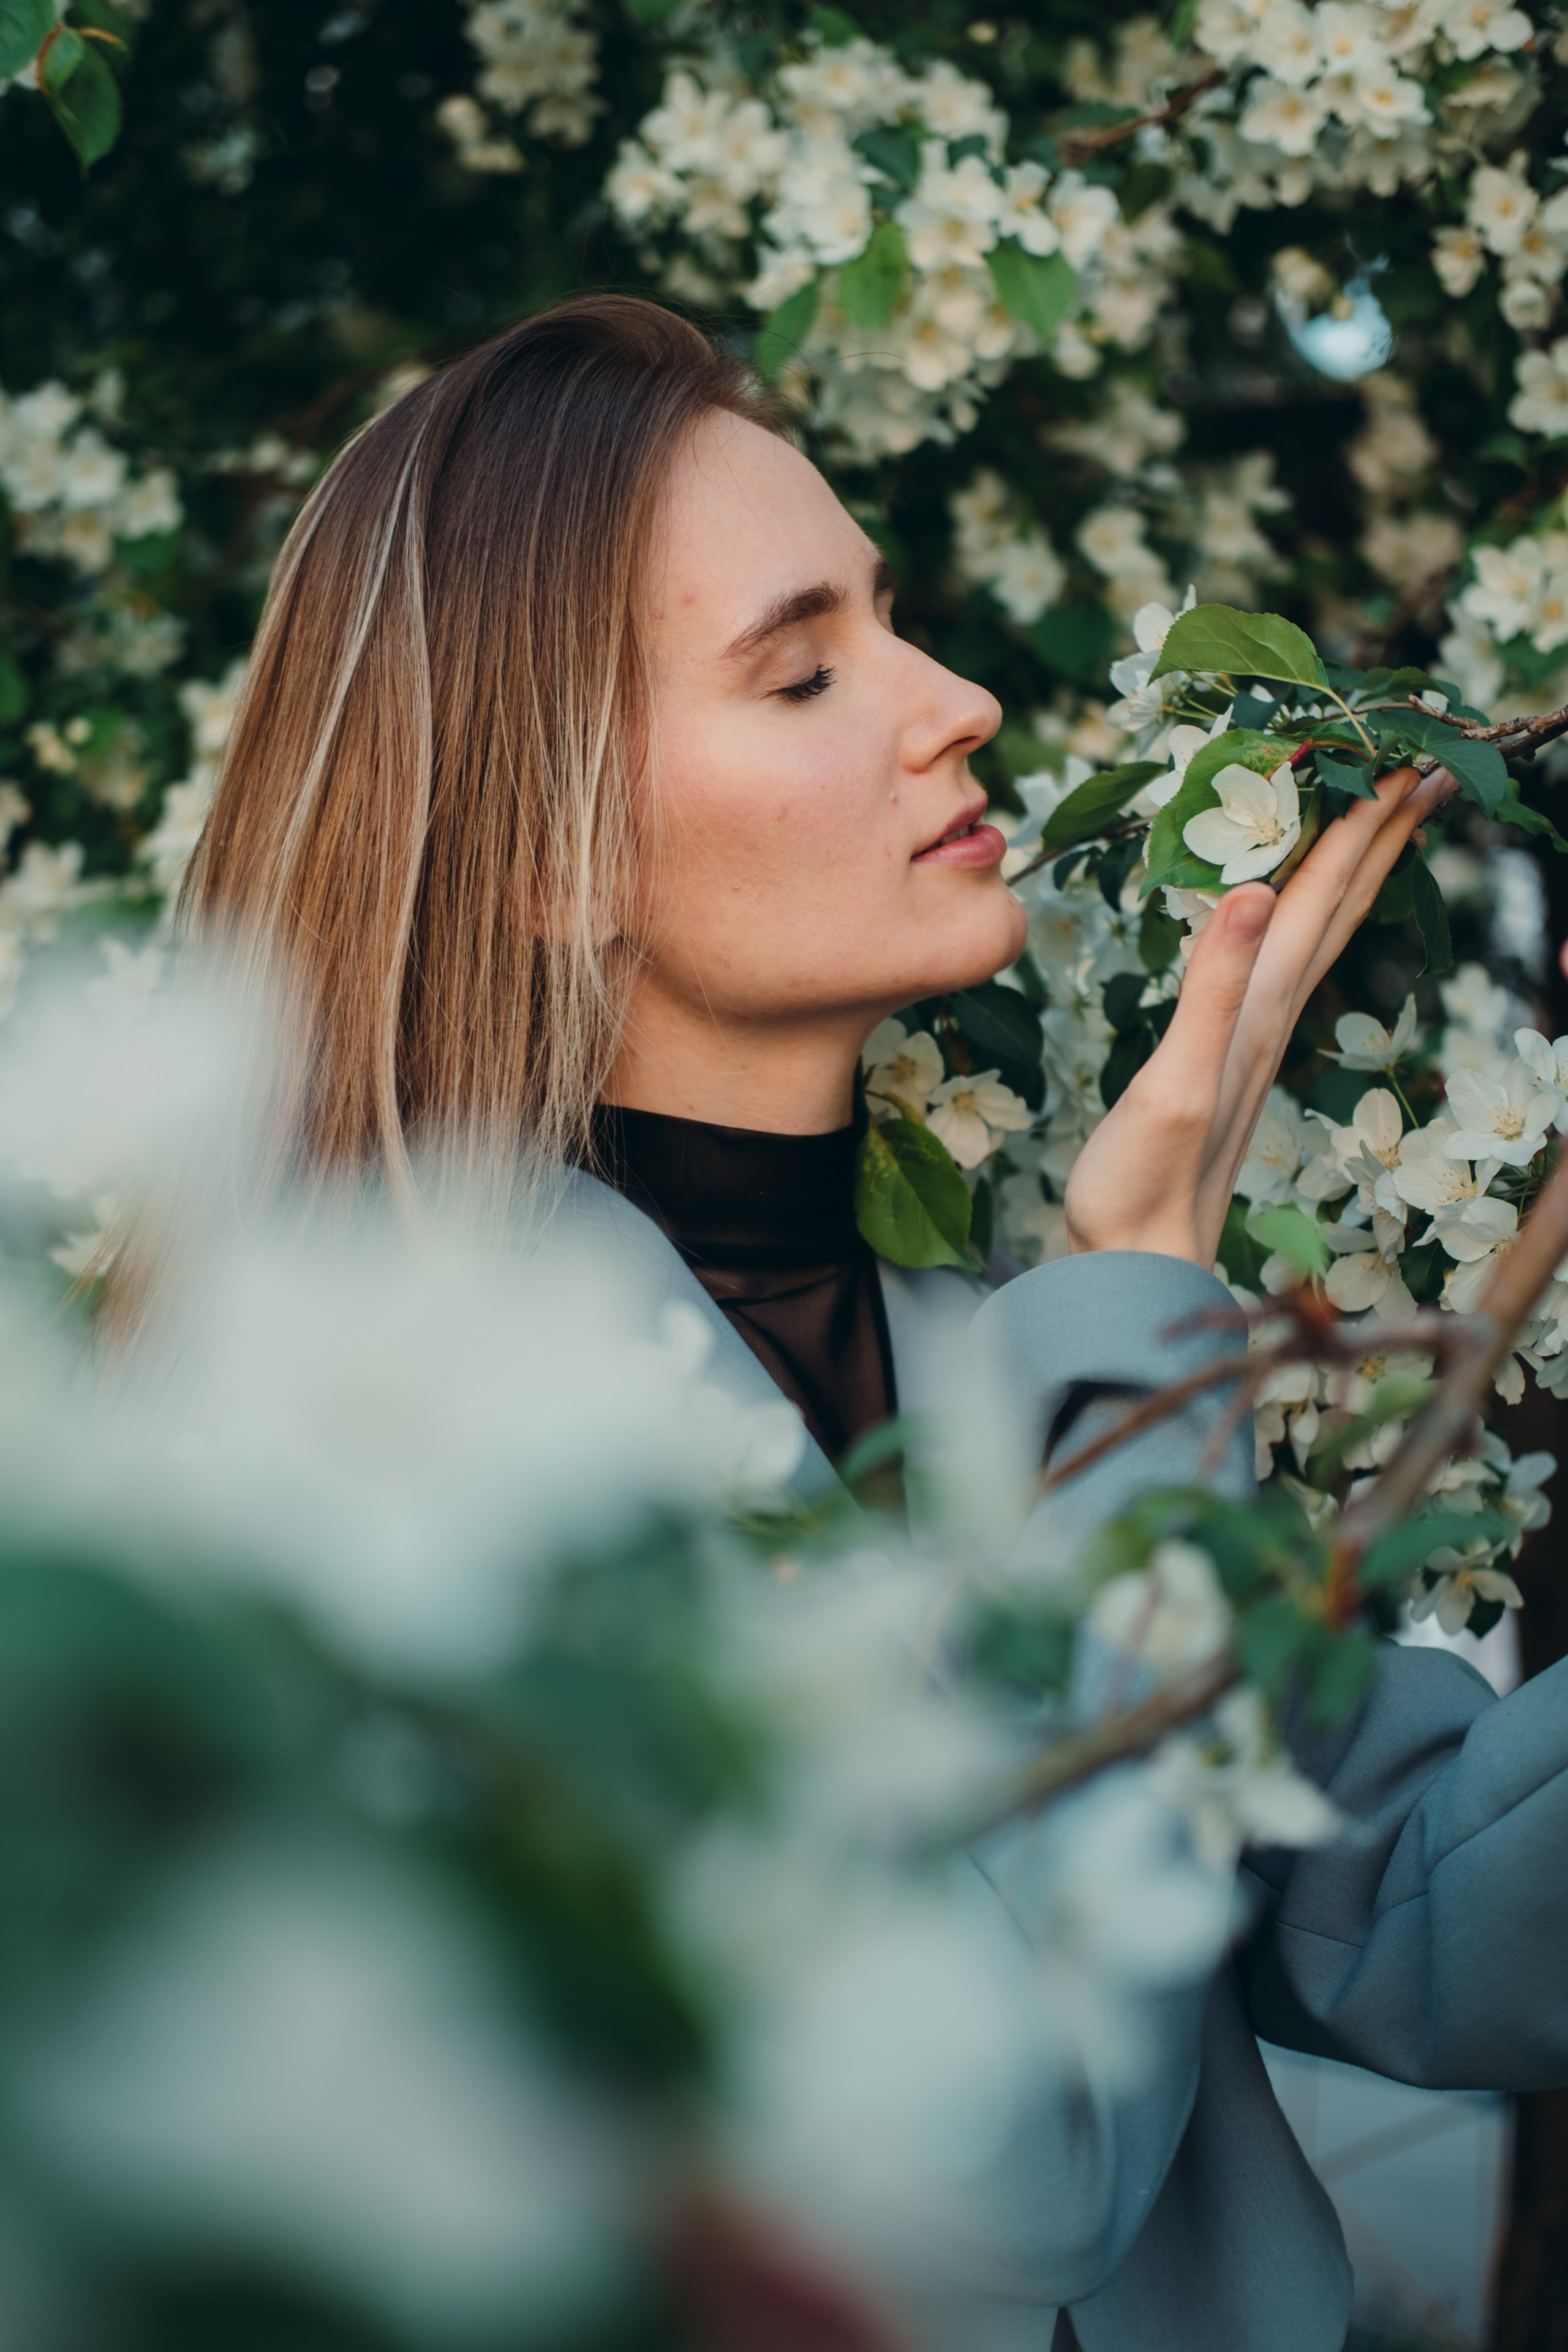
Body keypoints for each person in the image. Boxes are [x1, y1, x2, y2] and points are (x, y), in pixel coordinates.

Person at [182, 295, 1568, 2352]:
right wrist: (1151, 1322)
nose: (960, 704)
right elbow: (991, 2172)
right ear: (557, 847)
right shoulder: (442, 1478)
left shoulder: (1005, 1355)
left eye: (894, 621)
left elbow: (1435, 1917)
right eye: (804, 669)